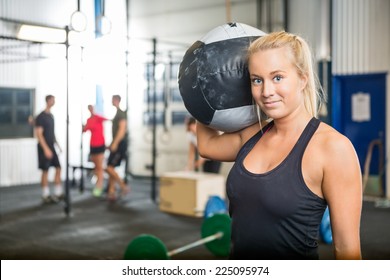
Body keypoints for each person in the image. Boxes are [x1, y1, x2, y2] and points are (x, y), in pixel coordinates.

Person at [196, 31, 362, 260]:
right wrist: (202, 88)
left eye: (277, 77)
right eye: (257, 80)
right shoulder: (252, 134)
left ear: (302, 79)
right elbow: (206, 145)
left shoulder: (333, 149)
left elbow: (347, 250)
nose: (266, 92)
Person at [35, 95, 63, 204]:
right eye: (53, 100)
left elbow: (52, 133)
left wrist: (58, 145)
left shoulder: (51, 116)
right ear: (48, 101)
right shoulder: (41, 117)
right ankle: (45, 194)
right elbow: (39, 134)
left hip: (51, 146)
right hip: (44, 147)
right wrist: (46, 149)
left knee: (58, 168)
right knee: (45, 171)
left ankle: (58, 192)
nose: (54, 101)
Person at [106, 95, 130, 201]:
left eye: (112, 99)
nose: (111, 101)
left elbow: (122, 130)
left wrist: (115, 143)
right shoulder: (117, 113)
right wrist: (112, 143)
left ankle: (123, 187)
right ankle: (111, 192)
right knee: (111, 166)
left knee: (109, 168)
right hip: (117, 143)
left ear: (116, 100)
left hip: (120, 144)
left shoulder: (121, 113)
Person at [82, 105, 108, 198]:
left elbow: (108, 119)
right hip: (92, 145)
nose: (91, 110)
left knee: (100, 167)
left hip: (100, 144)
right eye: (89, 108)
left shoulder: (98, 118)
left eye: (92, 108)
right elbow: (84, 130)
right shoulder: (89, 120)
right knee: (96, 167)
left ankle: (99, 187)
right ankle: (98, 183)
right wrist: (83, 126)